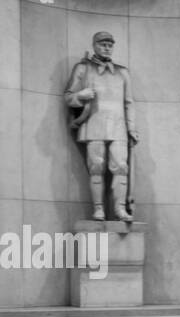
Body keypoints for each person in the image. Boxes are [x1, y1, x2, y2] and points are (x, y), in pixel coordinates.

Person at [65, 32, 139, 222]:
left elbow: (129, 102)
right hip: (93, 124)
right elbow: (68, 97)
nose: (107, 47)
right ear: (95, 45)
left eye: (110, 44)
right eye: (103, 44)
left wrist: (132, 128)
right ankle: (98, 209)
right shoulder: (83, 68)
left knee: (121, 167)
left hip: (118, 126)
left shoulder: (123, 72)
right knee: (96, 166)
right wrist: (81, 95)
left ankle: (120, 209)